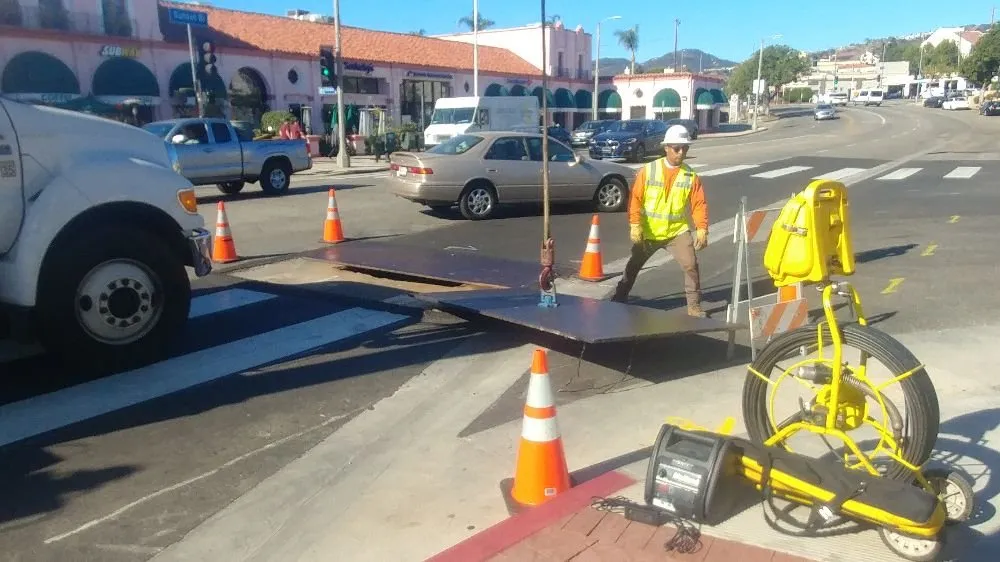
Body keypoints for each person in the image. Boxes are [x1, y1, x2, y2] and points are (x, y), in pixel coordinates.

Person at [610, 124, 709, 317]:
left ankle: (694, 307)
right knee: (633, 266)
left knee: (691, 265)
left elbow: (699, 204)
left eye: (685, 148)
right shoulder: (649, 171)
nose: (681, 153)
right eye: (677, 148)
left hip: (676, 232)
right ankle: (619, 298)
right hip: (649, 232)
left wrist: (702, 228)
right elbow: (636, 198)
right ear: (666, 148)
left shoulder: (690, 176)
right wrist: (635, 224)